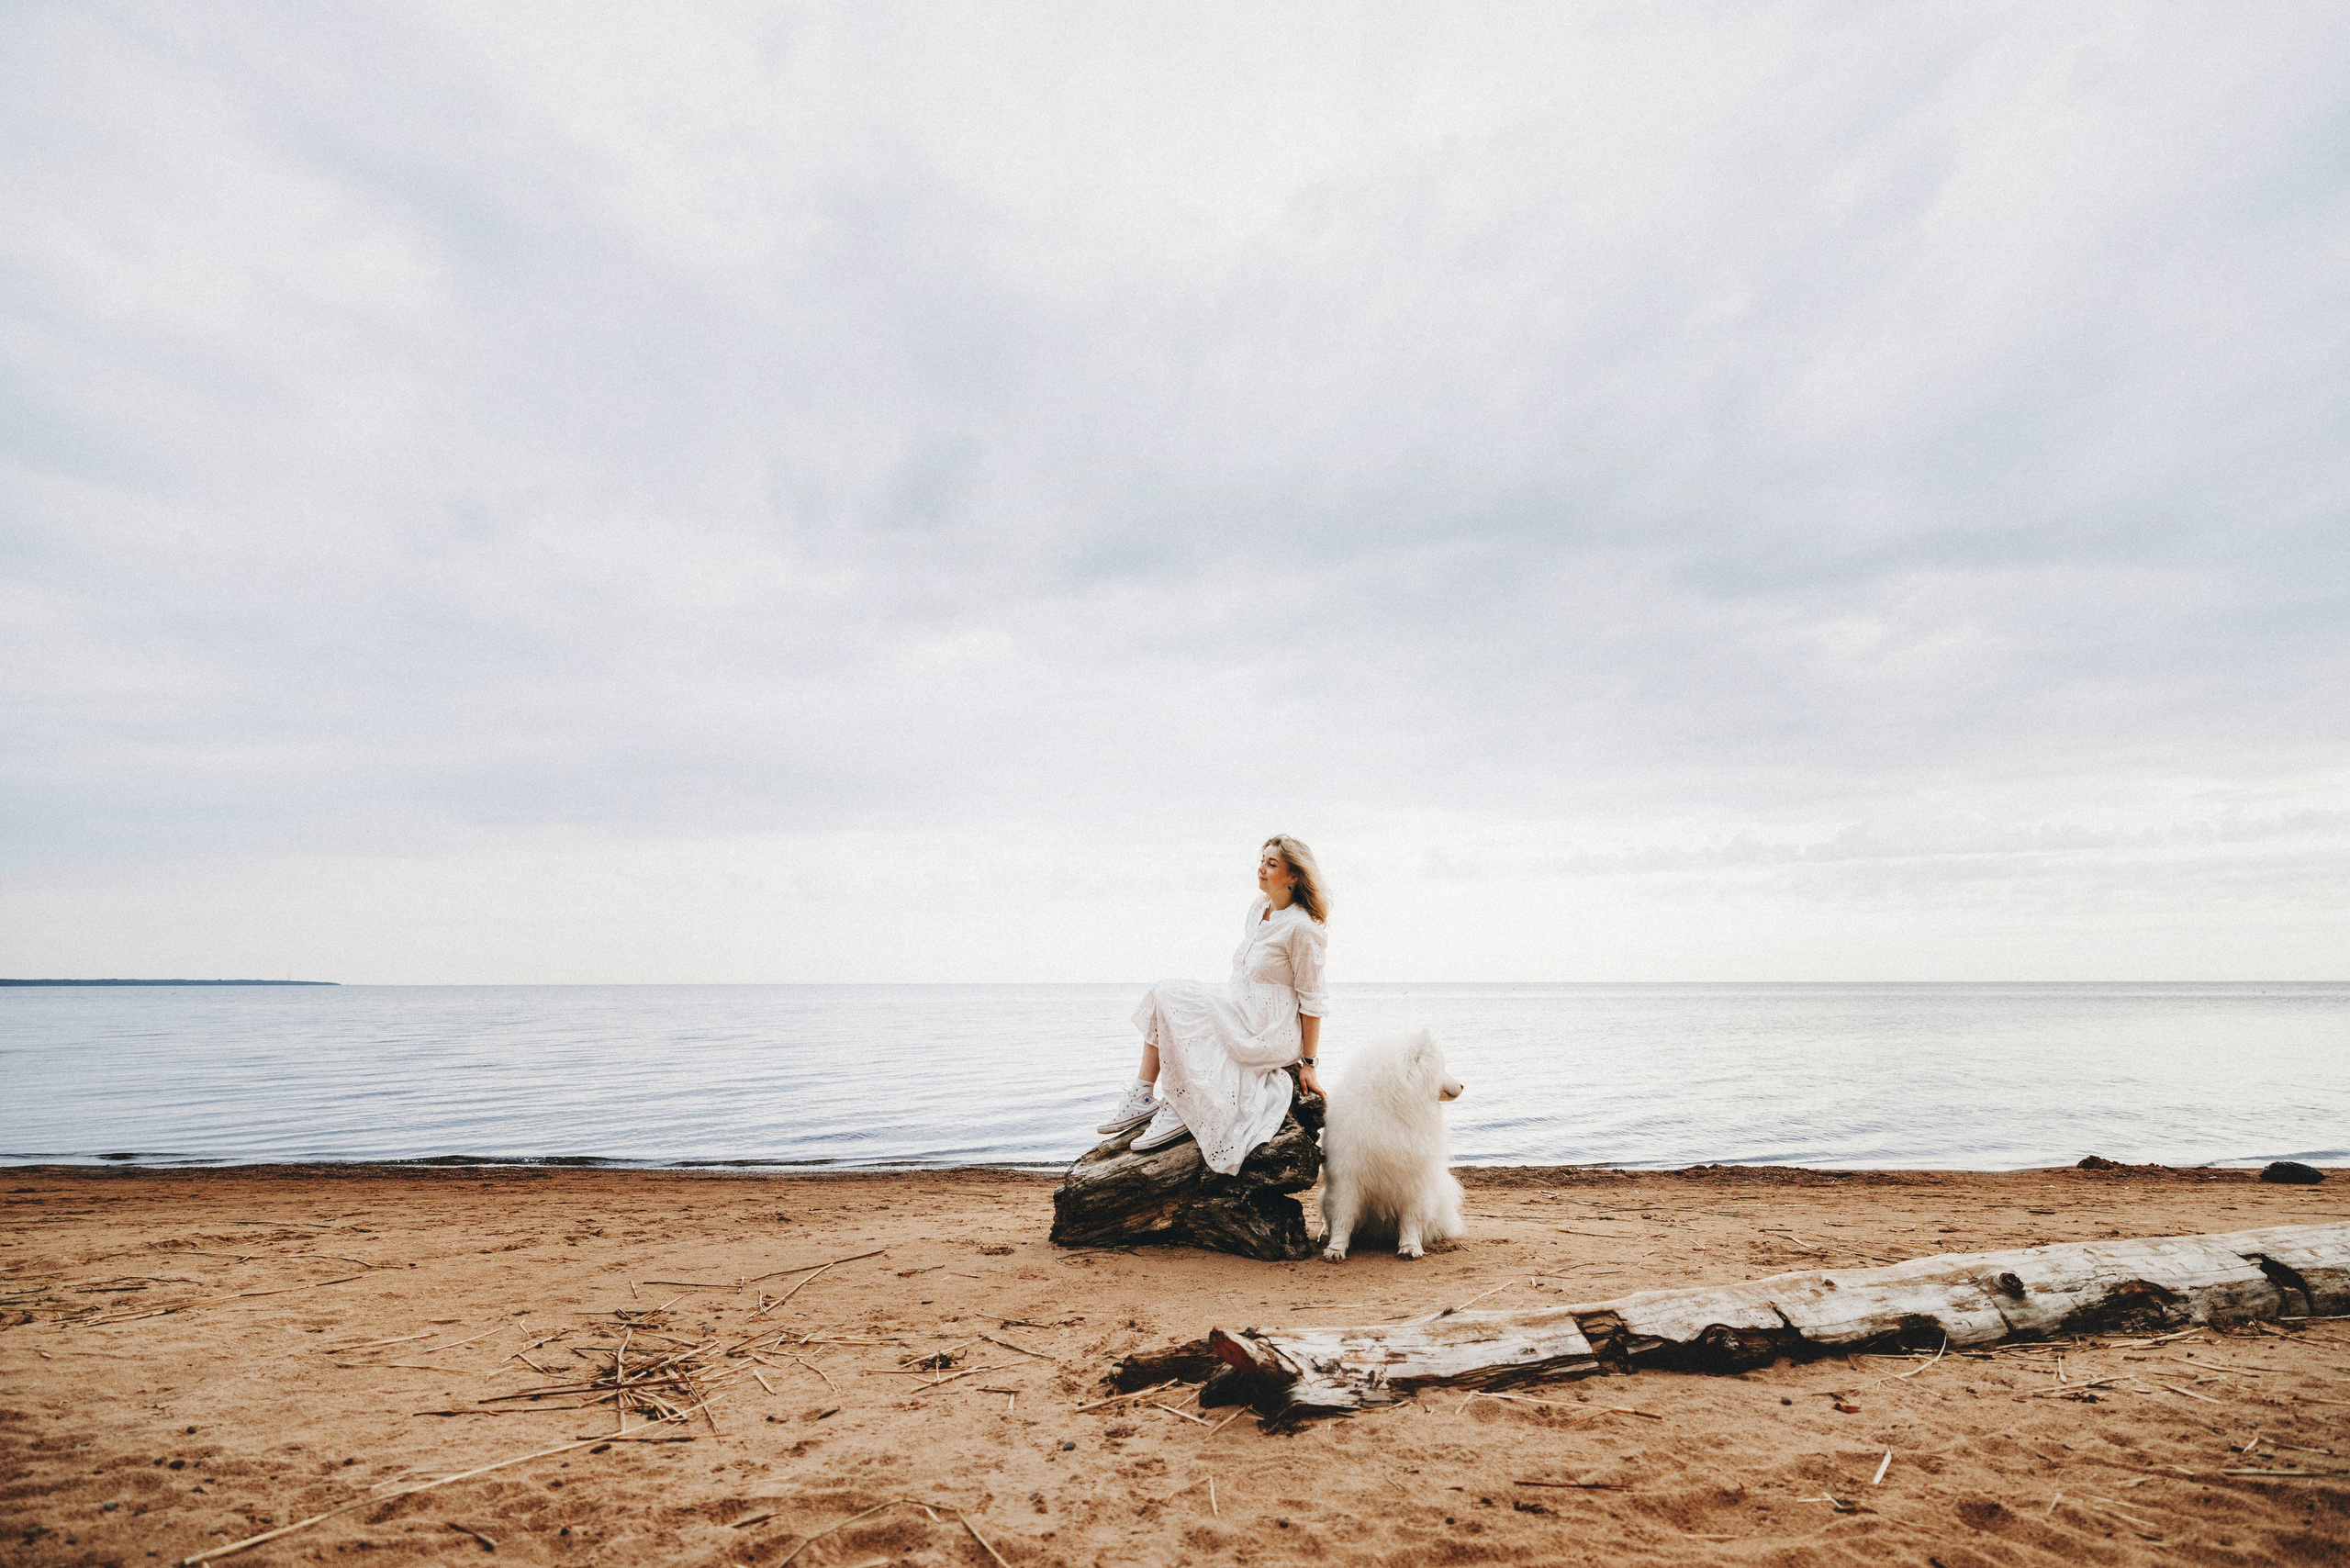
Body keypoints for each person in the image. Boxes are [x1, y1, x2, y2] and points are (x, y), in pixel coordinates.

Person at [1096, 835, 1331, 1175]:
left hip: (1269, 1028)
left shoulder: (1303, 929)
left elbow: (1313, 1000)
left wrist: (1309, 1062)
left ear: (1294, 876)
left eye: (1272, 864)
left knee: (1174, 998)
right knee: (1165, 996)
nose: (1261, 869)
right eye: (1262, 860)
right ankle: (1143, 1095)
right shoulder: (1257, 909)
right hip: (1240, 1008)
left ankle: (1180, 1104)